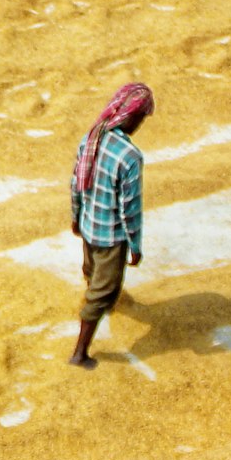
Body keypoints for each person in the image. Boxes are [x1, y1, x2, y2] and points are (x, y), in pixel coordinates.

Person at [68, 81, 155, 368]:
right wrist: (135, 246)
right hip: (110, 235)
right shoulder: (130, 156)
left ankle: (95, 287)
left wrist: (76, 215)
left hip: (89, 223)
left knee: (91, 268)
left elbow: (76, 182)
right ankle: (80, 353)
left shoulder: (92, 136)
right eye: (142, 118)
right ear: (133, 117)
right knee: (104, 292)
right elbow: (130, 209)